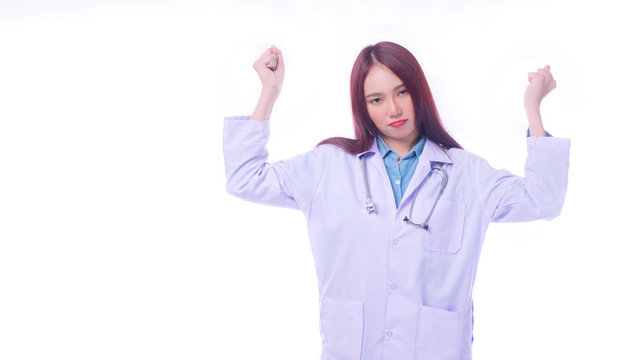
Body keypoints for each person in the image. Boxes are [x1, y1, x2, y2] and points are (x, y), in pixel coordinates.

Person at [222, 42, 570, 360]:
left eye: (402, 92)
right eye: (376, 99)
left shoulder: (467, 174)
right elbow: (245, 179)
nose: (393, 109)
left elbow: (543, 200)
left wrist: (532, 109)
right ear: (363, 107)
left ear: (418, 92)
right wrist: (269, 92)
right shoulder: (328, 166)